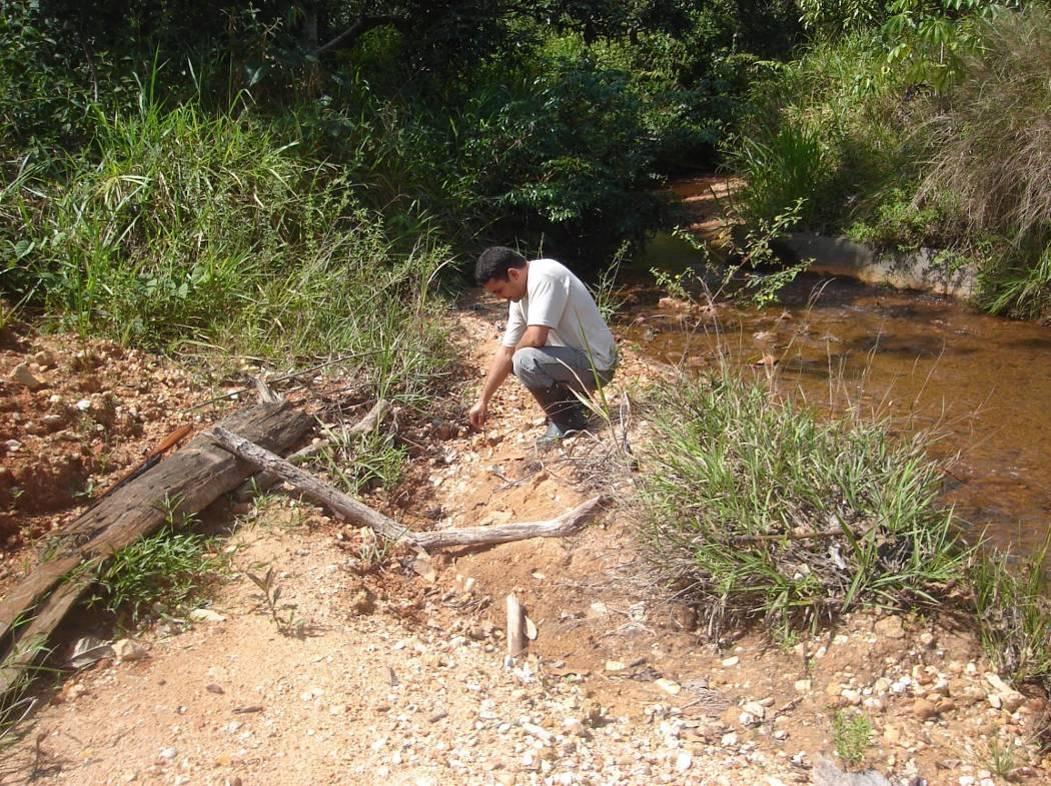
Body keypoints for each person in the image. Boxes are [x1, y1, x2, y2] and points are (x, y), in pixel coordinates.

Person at [468, 246, 617, 444]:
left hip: (598, 364)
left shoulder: (545, 276)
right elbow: (505, 351)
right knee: (515, 358)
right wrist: (483, 400)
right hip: (578, 359)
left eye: (499, 290)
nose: (499, 298)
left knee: (523, 360)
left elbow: (536, 338)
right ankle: (574, 405)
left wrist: (513, 356)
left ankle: (568, 422)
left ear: (513, 274)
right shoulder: (518, 297)